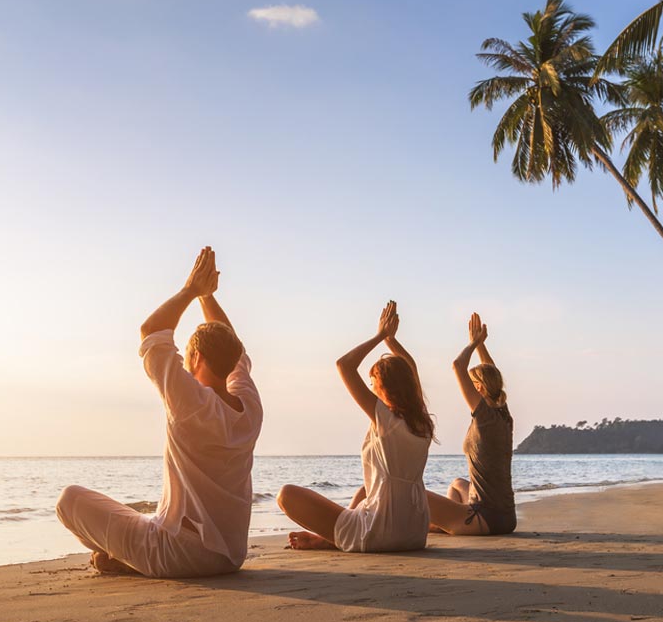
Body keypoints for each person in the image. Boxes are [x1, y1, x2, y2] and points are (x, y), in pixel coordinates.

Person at [56, 246, 263, 577]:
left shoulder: (190, 401)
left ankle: (127, 560)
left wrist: (192, 290)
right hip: (230, 556)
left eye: (188, 356)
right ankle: (126, 556)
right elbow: (232, 347)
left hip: (177, 554)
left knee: (69, 500)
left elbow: (152, 332)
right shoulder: (249, 405)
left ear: (196, 360)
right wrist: (207, 298)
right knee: (142, 518)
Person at [277, 300, 434, 552]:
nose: (371, 389)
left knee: (286, 495)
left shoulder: (386, 419)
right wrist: (391, 341)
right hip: (415, 531)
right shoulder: (422, 422)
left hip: (382, 531)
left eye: (374, 383)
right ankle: (330, 539)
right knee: (364, 492)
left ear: (385, 387)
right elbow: (411, 369)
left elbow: (344, 366)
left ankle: (333, 539)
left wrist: (380, 335)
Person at [426, 313, 516, 536]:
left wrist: (473, 343)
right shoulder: (503, 415)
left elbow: (458, 366)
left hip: (485, 517)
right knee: (457, 484)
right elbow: (492, 373)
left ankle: (445, 525)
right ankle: (447, 524)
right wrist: (482, 346)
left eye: (473, 383)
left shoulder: (485, 418)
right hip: (506, 516)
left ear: (479, 388)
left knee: (413, 494)